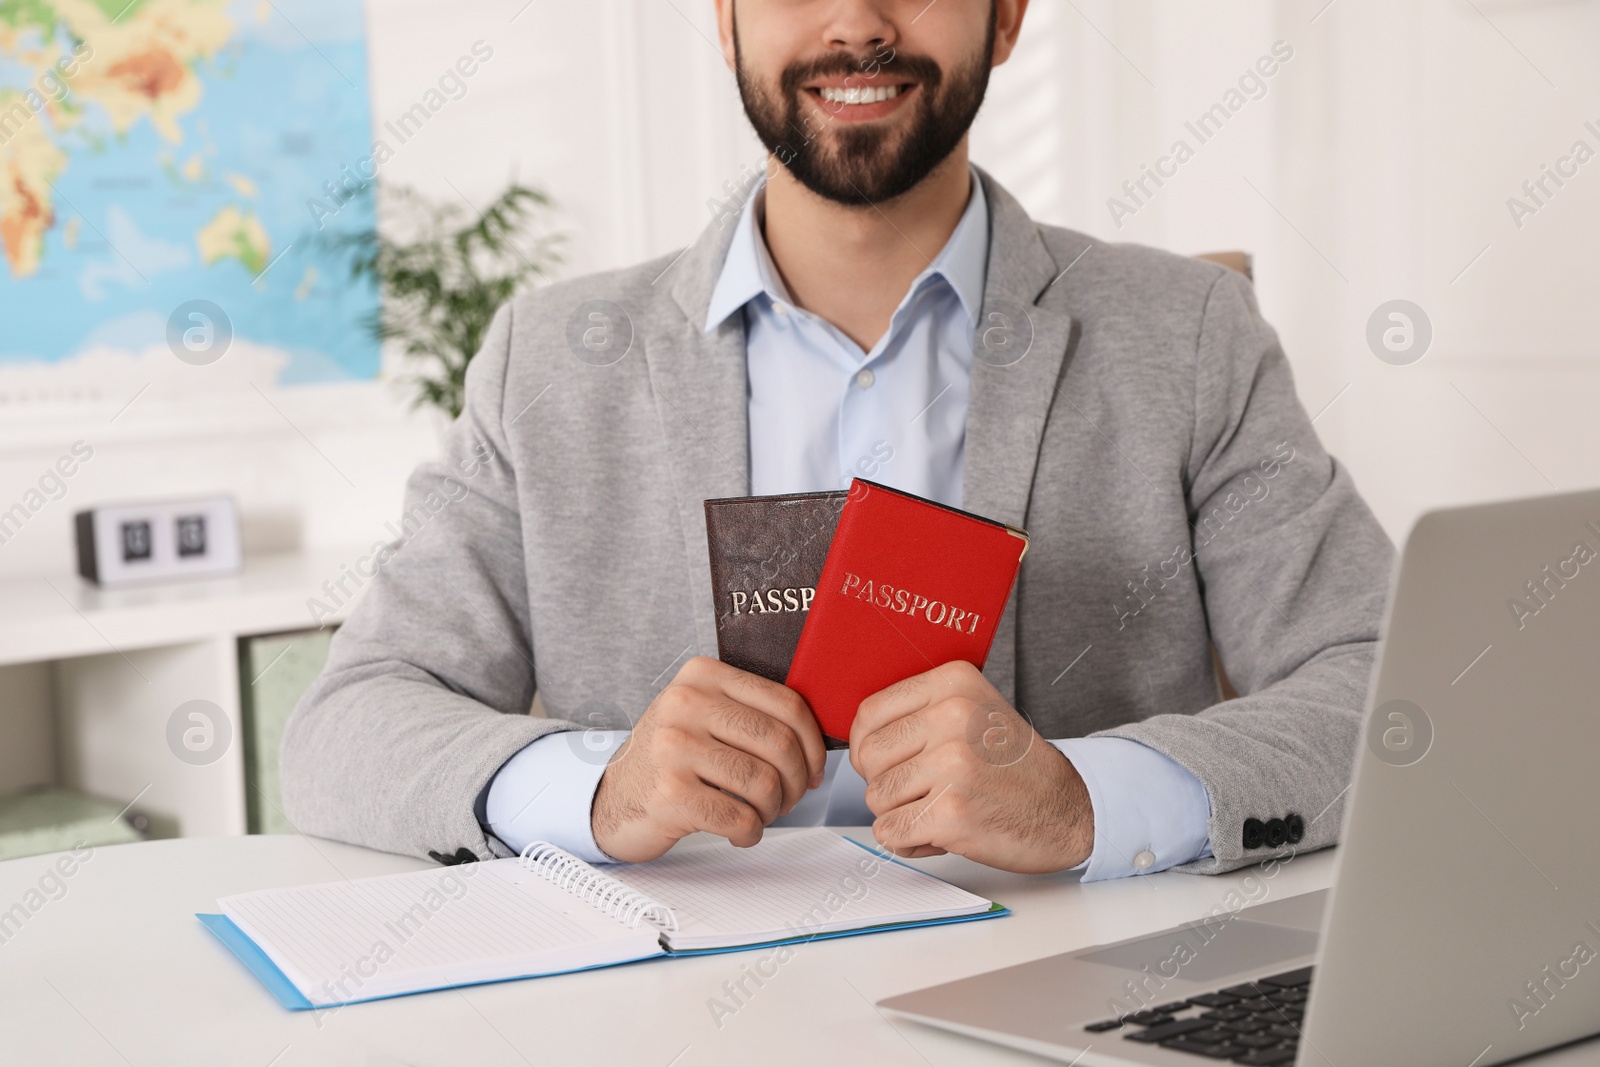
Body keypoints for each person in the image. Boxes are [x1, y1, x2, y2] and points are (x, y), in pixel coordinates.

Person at [281, 0, 1392, 881]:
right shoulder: (550, 359)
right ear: (723, 17)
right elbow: (348, 725)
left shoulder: (1187, 333)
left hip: (1059, 982)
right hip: (669, 1012)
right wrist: (598, 788)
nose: (856, 22)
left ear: (1006, 16)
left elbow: (1386, 683)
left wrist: (1087, 799)